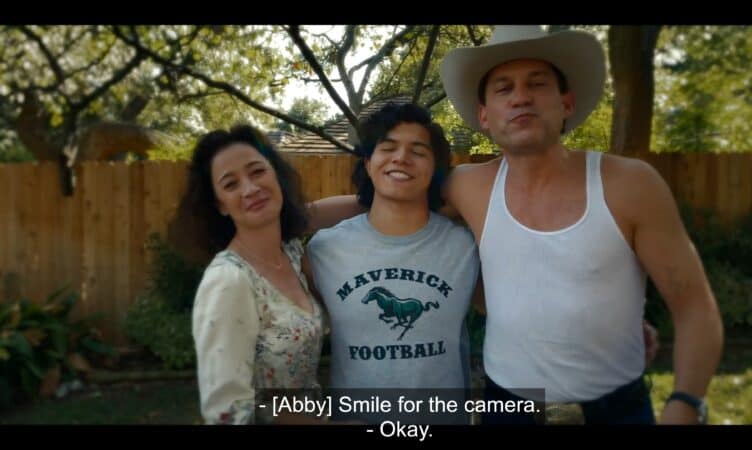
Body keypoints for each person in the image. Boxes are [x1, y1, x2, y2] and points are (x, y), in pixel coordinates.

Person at [436, 25, 723, 424]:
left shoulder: (629, 184)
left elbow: (694, 306)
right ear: (485, 115)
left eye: (537, 83)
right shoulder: (467, 187)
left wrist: (686, 404)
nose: (521, 97)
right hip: (507, 409)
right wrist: (313, 215)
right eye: (504, 89)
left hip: (616, 410)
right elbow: (389, 203)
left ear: (566, 102)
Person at [304, 103, 480, 424]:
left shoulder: (466, 247)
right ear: (369, 164)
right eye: (388, 148)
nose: (401, 157)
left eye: (418, 150)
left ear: (434, 170)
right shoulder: (324, 251)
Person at [178, 125, 325, 425]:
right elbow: (228, 414)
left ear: (276, 176)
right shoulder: (228, 280)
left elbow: (351, 207)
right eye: (231, 184)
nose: (250, 189)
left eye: (257, 172)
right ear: (219, 204)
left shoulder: (292, 253)